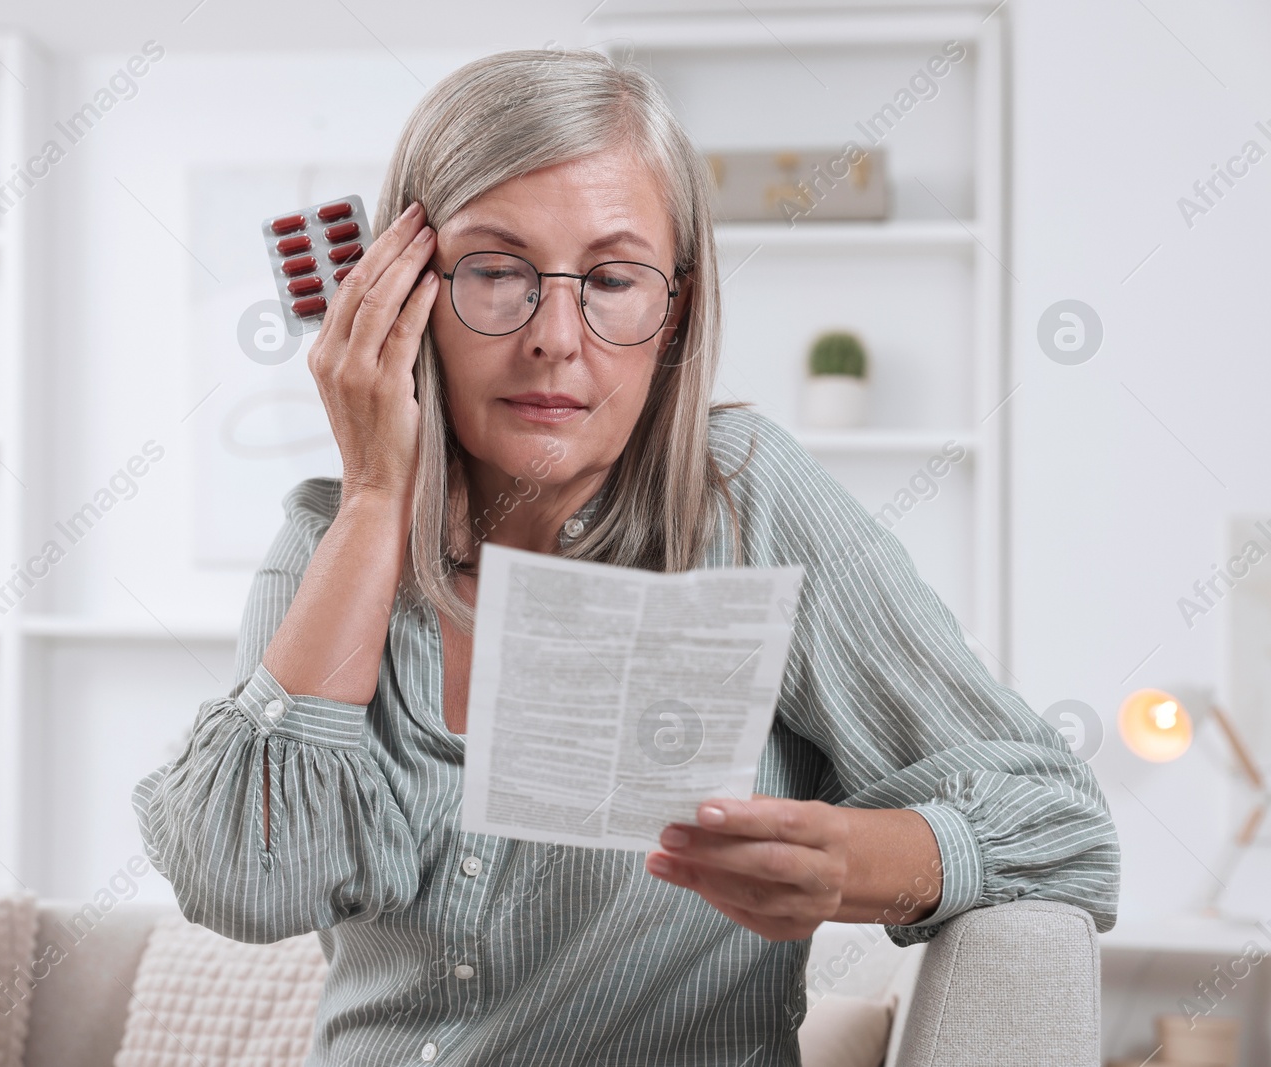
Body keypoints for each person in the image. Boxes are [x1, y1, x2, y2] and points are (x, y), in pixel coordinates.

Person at [133, 47, 1118, 1066]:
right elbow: (243, 883)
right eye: (496, 271)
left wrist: (857, 865)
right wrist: (379, 493)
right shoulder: (333, 540)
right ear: (403, 292)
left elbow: (1059, 822)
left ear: (675, 309)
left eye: (610, 279)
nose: (555, 335)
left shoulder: (744, 503)